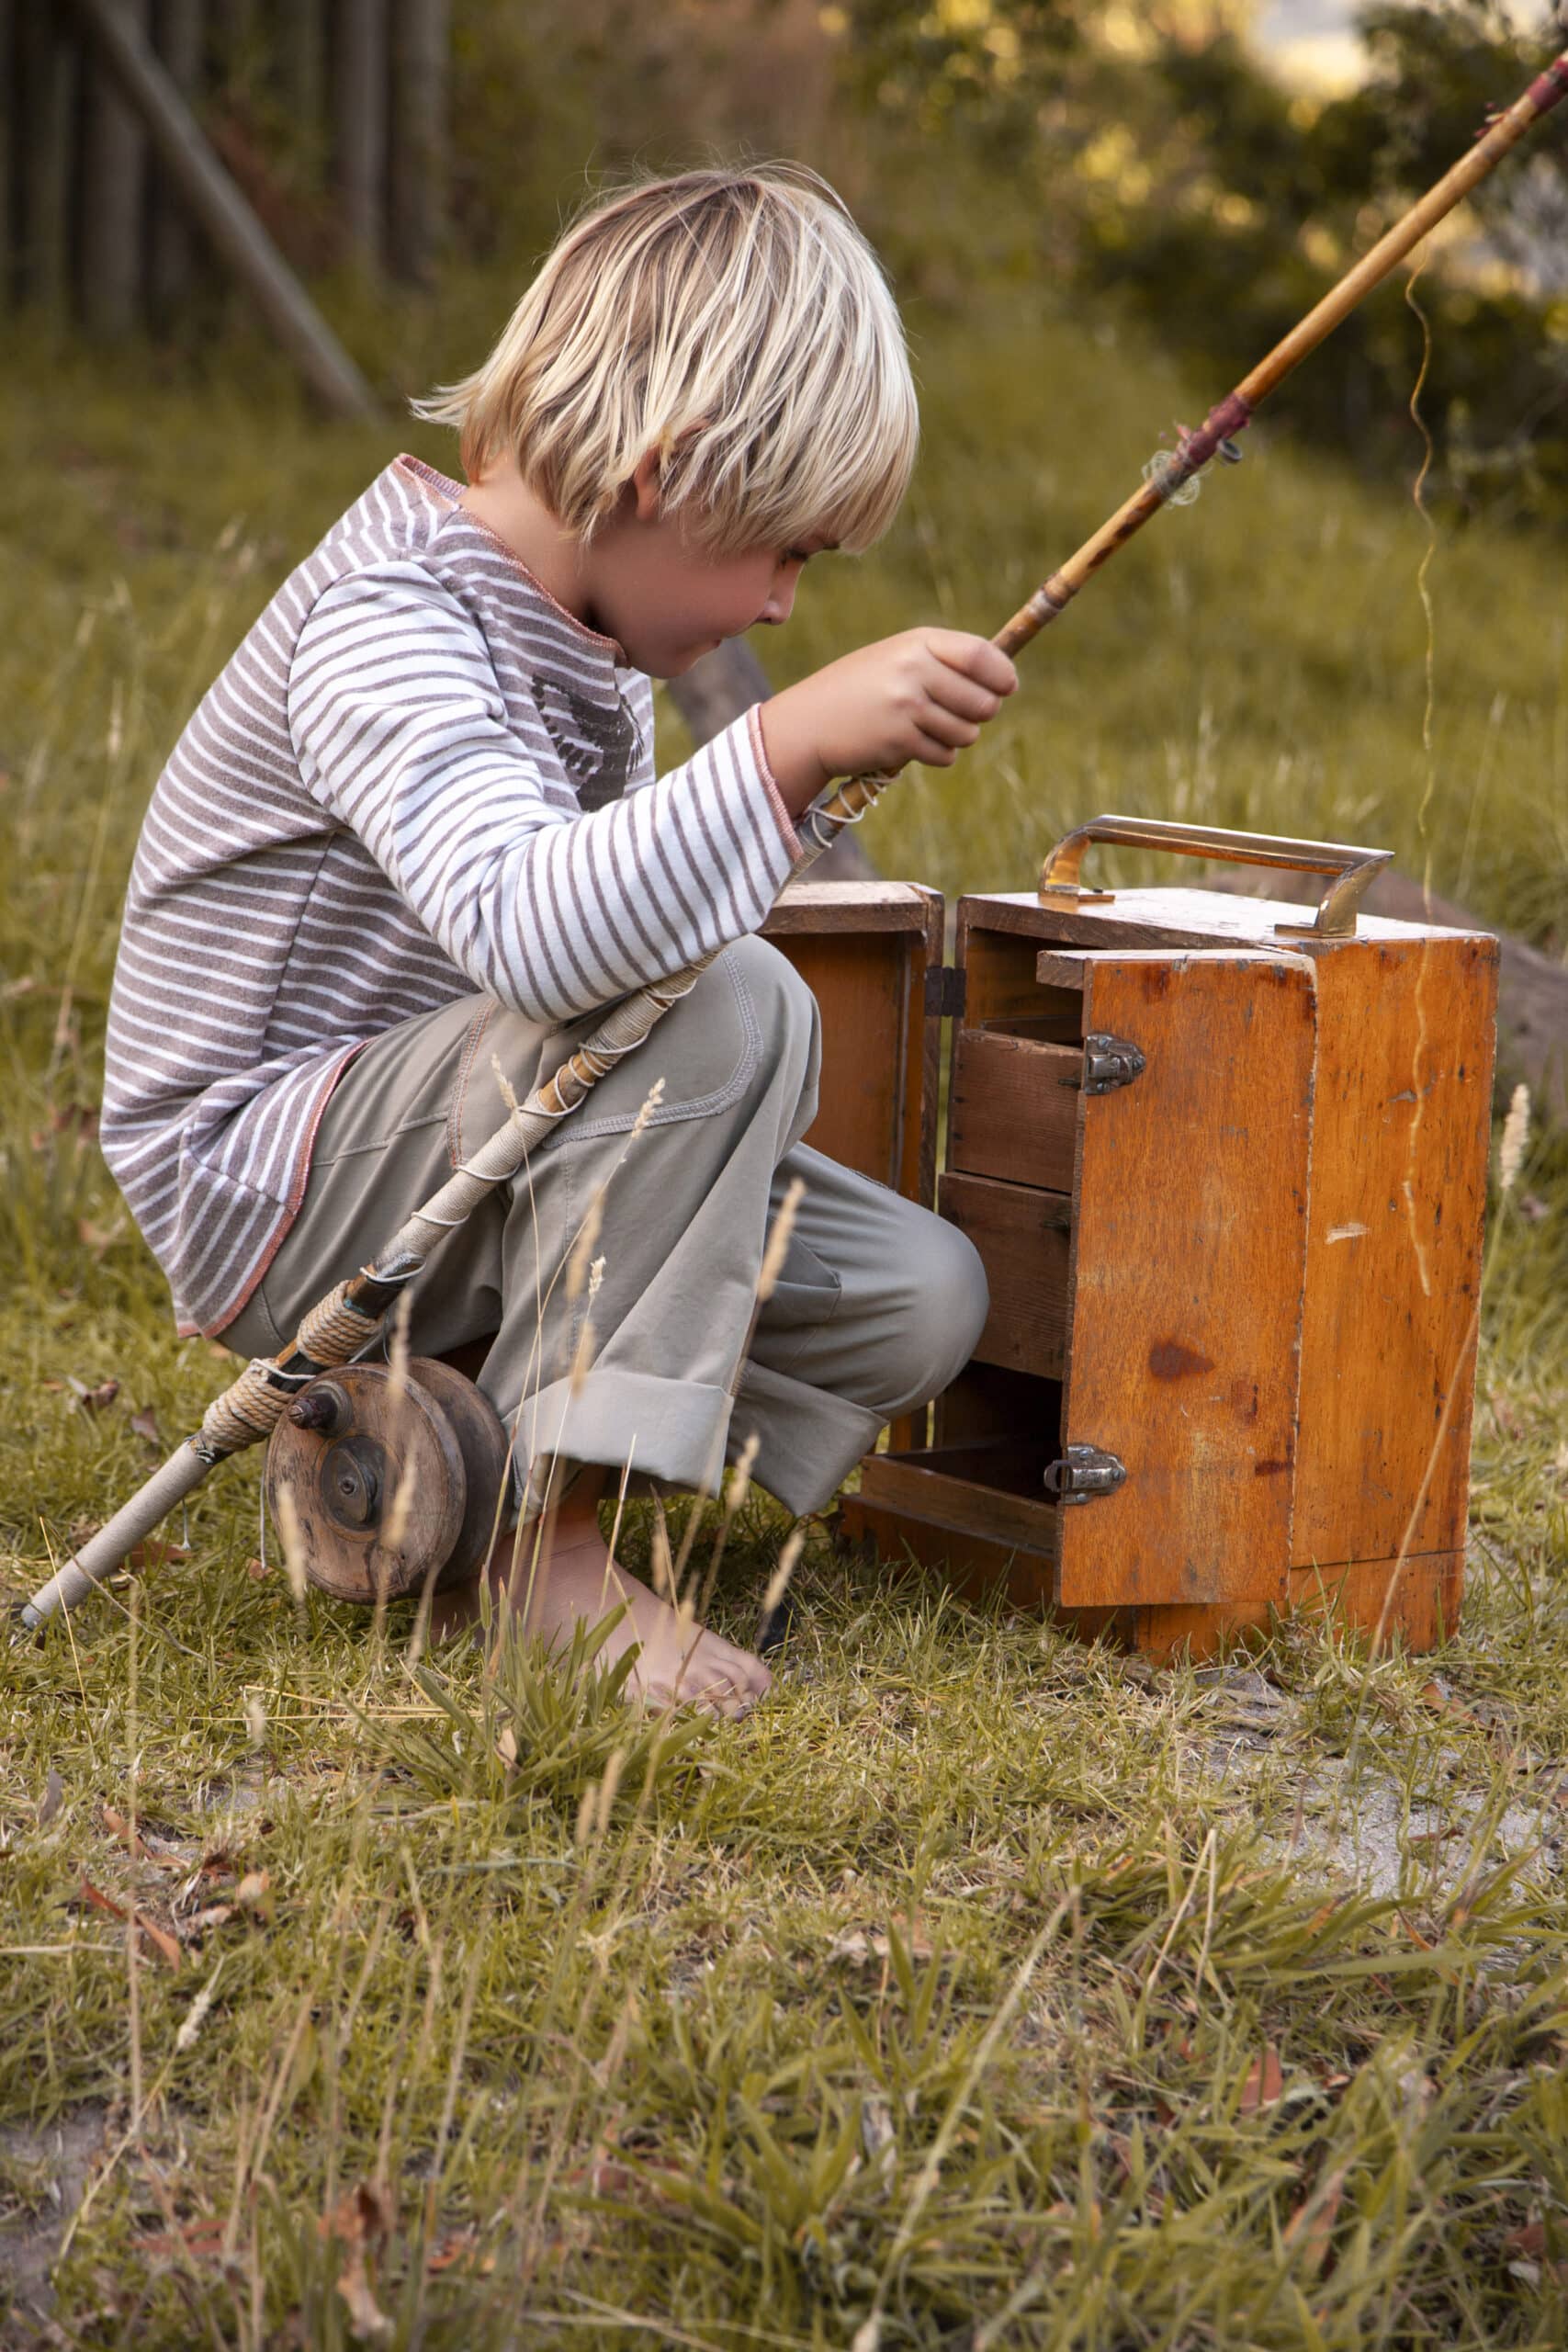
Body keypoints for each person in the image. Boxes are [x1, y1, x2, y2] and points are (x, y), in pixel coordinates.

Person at [101, 165, 1016, 1715]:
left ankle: (451, 1438)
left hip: (455, 1153)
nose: (788, 606)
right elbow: (545, 941)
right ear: (661, 471)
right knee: (731, 1000)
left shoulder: (579, 647)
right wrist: (780, 750)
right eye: (784, 552)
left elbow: (616, 970)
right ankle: (546, 1549)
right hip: (266, 1177)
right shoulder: (390, 618)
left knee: (916, 1297)